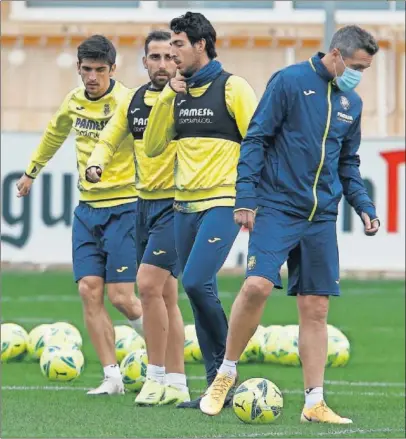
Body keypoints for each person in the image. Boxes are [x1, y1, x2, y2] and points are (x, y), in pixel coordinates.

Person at [200, 25, 381, 423]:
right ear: (335, 55)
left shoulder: (351, 102)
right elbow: (256, 139)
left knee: (315, 308)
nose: (358, 75)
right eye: (355, 67)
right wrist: (245, 195)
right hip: (277, 206)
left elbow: (348, 162)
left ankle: (314, 402)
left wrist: (364, 205)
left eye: (365, 70)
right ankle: (225, 373)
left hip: (322, 216)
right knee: (257, 285)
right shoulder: (289, 82)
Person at [16, 35, 143, 396]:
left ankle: (164, 356)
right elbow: (53, 135)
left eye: (100, 70)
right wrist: (30, 173)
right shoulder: (73, 102)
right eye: (86, 69)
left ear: (113, 70)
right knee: (89, 290)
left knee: (121, 297)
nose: (92, 77)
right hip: (87, 210)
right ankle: (112, 377)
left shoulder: (128, 102)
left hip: (124, 206)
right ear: (78, 68)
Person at [143, 12, 258, 409]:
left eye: (177, 45)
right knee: (198, 290)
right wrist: (167, 97)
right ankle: (215, 386)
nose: (170, 52)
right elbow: (155, 145)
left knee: (193, 281)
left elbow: (259, 141)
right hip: (183, 205)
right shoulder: (176, 92)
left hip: (223, 201)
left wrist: (251, 197)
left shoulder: (233, 87)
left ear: (200, 45)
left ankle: (225, 373)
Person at [86, 31, 190, 406]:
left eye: (168, 57)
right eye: (154, 57)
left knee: (146, 286)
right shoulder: (132, 101)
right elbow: (111, 137)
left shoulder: (186, 98)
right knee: (165, 295)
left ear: (177, 61)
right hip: (142, 204)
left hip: (176, 206)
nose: (162, 64)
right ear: (144, 63)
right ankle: (178, 383)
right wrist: (96, 162)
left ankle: (156, 376)